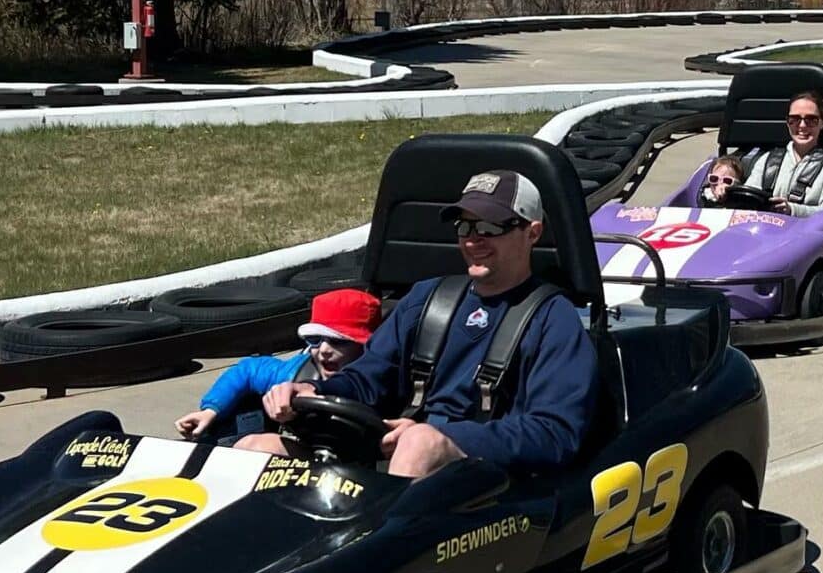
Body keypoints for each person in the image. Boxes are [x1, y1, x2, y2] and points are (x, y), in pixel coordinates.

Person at [247, 169, 599, 479]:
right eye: (465, 226)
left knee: (419, 443)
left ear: (532, 233)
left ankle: (379, 549)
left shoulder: (554, 319)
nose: (473, 239)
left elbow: (555, 434)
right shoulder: (427, 298)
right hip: (397, 455)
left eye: (491, 227)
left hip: (486, 479)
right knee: (256, 448)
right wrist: (314, 393)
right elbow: (368, 378)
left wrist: (442, 438)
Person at [174, 287, 382, 443]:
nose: (324, 350)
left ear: (365, 346)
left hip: (362, 467)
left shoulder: (382, 381)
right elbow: (247, 370)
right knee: (252, 445)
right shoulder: (294, 373)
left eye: (338, 341)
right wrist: (211, 410)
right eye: (315, 339)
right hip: (305, 457)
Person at [744, 89, 823, 218]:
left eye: (811, 120)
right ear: (787, 122)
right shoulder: (768, 159)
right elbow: (747, 199)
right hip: (766, 232)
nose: (802, 126)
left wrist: (792, 210)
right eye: (794, 119)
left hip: (811, 235)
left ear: (822, 123)